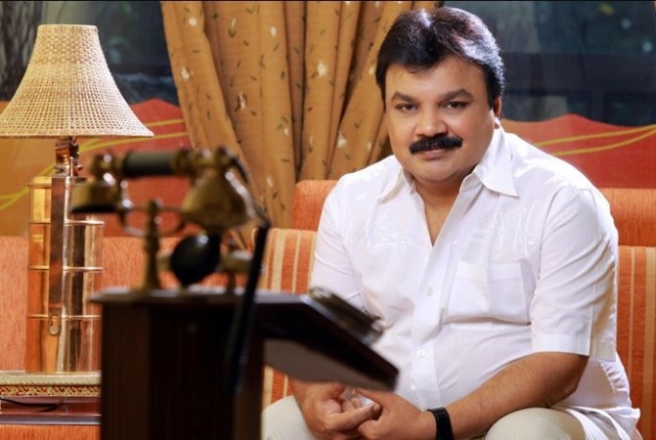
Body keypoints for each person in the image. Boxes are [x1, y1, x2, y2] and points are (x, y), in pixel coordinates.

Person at [262, 6, 641, 440]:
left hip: (545, 418)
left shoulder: (563, 200)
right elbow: (323, 343)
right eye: (407, 107)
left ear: (495, 107)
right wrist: (315, 398)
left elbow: (560, 365)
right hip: (394, 422)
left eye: (453, 104)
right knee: (281, 423)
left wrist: (433, 426)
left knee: (525, 434)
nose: (428, 127)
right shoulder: (352, 200)